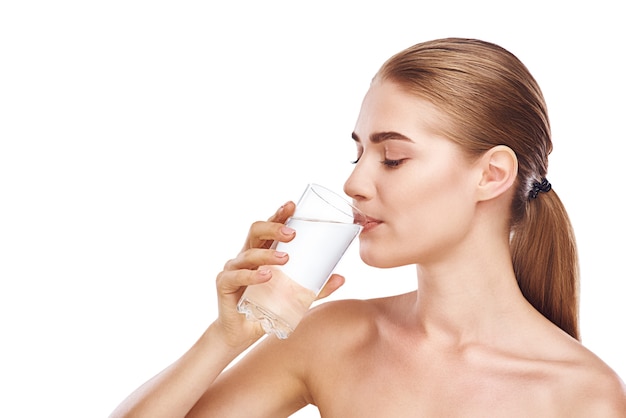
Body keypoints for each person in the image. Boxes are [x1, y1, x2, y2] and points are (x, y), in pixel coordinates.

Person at [110, 37, 626, 417]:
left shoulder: (582, 396)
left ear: (491, 175)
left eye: (393, 158)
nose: (354, 182)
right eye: (358, 153)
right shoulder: (333, 338)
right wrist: (225, 337)